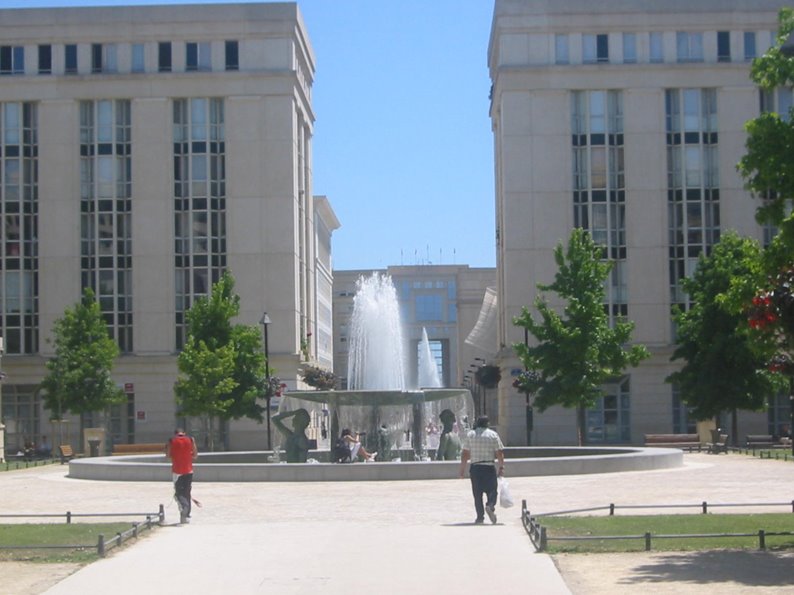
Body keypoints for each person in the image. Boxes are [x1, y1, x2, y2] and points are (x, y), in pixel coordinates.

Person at [459, 416, 504, 524]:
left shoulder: (471, 435)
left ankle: (480, 517)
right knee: (492, 490)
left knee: (477, 494)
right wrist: (501, 467)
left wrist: (462, 470)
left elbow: (465, 454)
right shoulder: (493, 435)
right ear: (487, 423)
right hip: (489, 467)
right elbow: (499, 453)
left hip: (475, 468)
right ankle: (490, 505)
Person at [166, 428, 197, 524]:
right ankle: (186, 515)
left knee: (179, 492)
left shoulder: (171, 440)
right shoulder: (191, 439)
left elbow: (167, 455)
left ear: (175, 434)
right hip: (189, 470)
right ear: (184, 433)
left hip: (177, 471)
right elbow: (195, 455)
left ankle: (184, 507)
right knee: (187, 491)